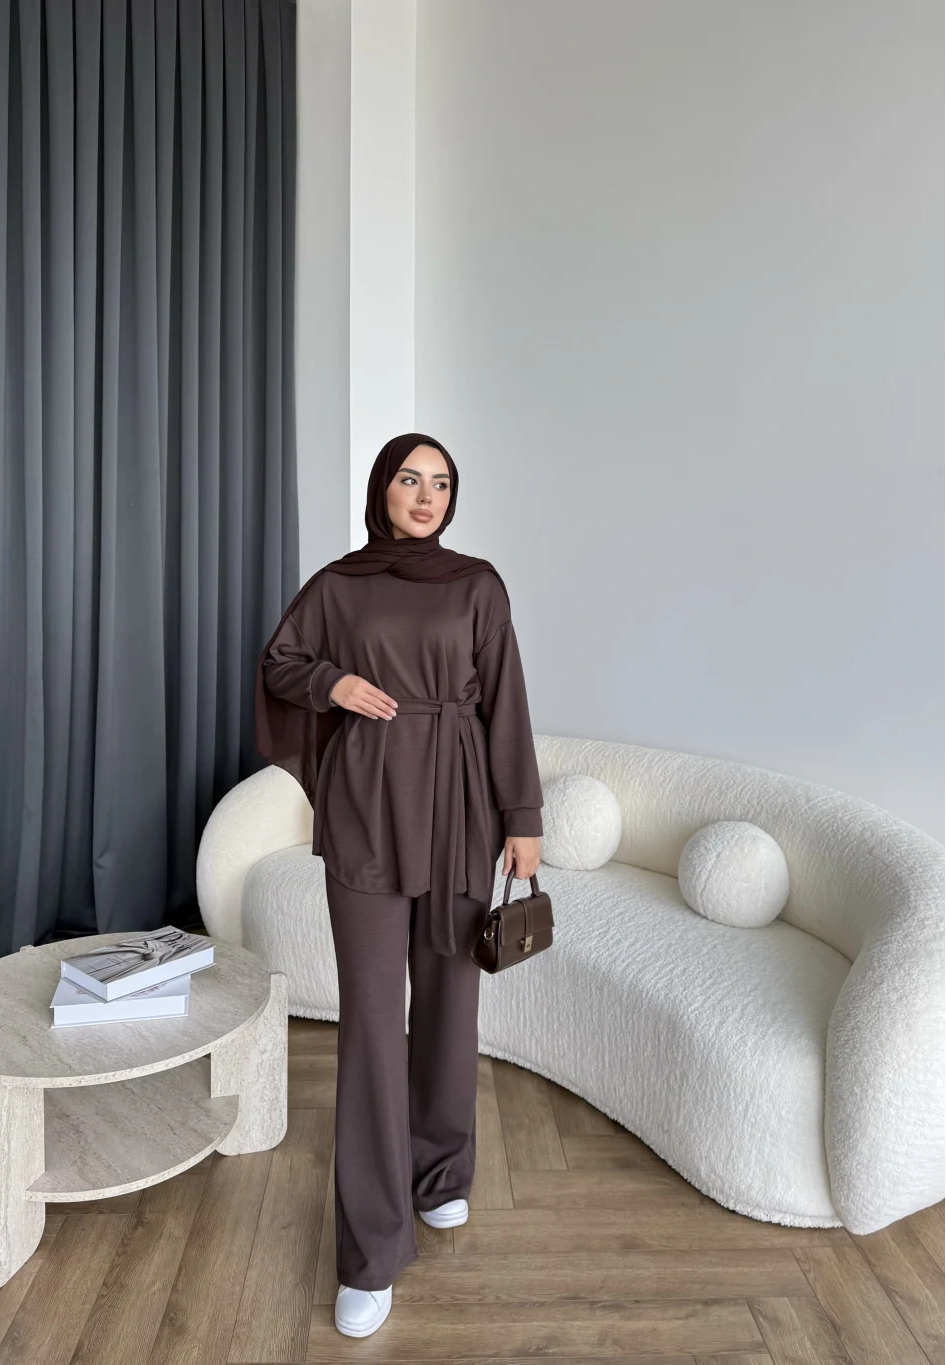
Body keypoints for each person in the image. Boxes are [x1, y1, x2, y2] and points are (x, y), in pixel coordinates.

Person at [254, 433, 543, 1338]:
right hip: (368, 808)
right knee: (374, 1023)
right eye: (410, 479)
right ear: (382, 488)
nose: (426, 495)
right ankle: (371, 1251)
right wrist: (334, 682)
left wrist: (523, 815)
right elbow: (278, 662)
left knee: (452, 1002)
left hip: (460, 804)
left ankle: (441, 1171)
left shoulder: (478, 585)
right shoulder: (340, 586)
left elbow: (506, 700)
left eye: (441, 482)